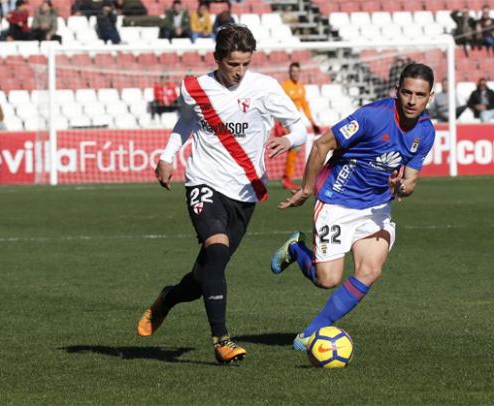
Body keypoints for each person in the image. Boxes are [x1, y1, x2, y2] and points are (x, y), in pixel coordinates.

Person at [137, 24, 308, 364]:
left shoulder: (265, 88)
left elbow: (300, 127)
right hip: (203, 181)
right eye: (233, 64)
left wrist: (288, 140)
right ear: (218, 59)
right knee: (215, 254)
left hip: (244, 192)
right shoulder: (197, 88)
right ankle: (222, 341)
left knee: (205, 276)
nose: (239, 72)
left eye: (245, 64)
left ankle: (168, 298)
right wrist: (167, 156)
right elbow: (186, 121)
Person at [269, 63, 436, 350]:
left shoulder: (425, 132)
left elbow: (410, 182)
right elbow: (322, 145)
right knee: (328, 279)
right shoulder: (372, 116)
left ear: (429, 97)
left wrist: (403, 188)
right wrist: (307, 189)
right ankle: (297, 249)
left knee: (370, 270)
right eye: (406, 92)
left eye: (419, 95)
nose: (411, 101)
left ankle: (312, 331)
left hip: (376, 207)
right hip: (337, 200)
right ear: (397, 91)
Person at [277, 62, 322, 191]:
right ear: (289, 72)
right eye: (293, 71)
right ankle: (286, 179)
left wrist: (312, 122)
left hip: (295, 122)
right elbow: (278, 104)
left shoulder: (301, 88)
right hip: (285, 121)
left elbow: (305, 106)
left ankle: (286, 178)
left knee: (295, 149)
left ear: (299, 73)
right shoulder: (285, 86)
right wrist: (278, 123)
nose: (295, 74)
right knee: (294, 148)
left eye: (297, 71)